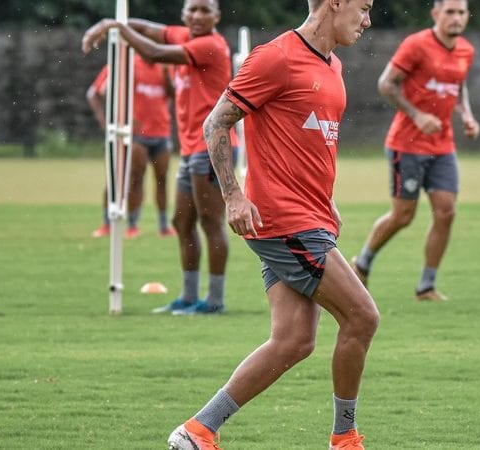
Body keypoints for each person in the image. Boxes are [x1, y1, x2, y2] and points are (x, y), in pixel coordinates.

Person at [164, 0, 378, 448]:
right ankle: (346, 439)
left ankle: (198, 431)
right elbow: (216, 122)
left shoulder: (334, 66)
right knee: (362, 317)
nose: (367, 20)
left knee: (294, 341)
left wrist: (328, 200)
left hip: (310, 215)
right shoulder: (276, 56)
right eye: (363, 8)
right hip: (283, 219)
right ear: (333, 3)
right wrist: (233, 195)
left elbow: (307, 142)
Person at [82, 0, 238, 315]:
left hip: (213, 147)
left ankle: (215, 300)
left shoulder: (210, 45)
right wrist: (107, 23)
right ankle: (189, 296)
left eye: (204, 10)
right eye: (191, 9)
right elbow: (148, 29)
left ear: (217, 17)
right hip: (192, 146)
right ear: (182, 14)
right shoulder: (184, 35)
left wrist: (118, 29)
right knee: (183, 222)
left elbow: (153, 52)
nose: (197, 16)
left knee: (211, 222)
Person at [351, 0, 479, 302]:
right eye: (449, 12)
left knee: (446, 212)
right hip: (406, 145)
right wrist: (418, 115)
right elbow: (386, 84)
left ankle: (426, 286)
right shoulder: (417, 45)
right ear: (436, 14)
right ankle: (362, 262)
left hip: (443, 145)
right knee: (403, 215)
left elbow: (458, 87)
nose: (456, 18)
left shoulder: (466, 50)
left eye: (461, 12)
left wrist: (467, 116)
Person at [88, 53, 177, 239]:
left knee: (162, 179)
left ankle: (163, 226)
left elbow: (174, 95)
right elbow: (94, 93)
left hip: (162, 132)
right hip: (136, 135)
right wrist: (105, 122)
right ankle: (126, 225)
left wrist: (167, 75)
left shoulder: (165, 66)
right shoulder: (125, 64)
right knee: (132, 178)